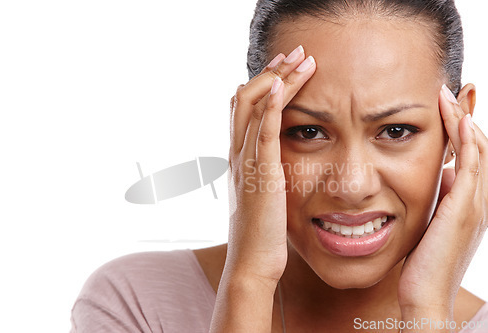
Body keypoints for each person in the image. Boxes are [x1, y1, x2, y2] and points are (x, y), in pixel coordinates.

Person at [70, 0, 488, 332]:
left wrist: (429, 311)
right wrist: (249, 281)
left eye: (395, 131)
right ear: (252, 127)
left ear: (457, 128)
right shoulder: (136, 305)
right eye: (308, 132)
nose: (352, 185)